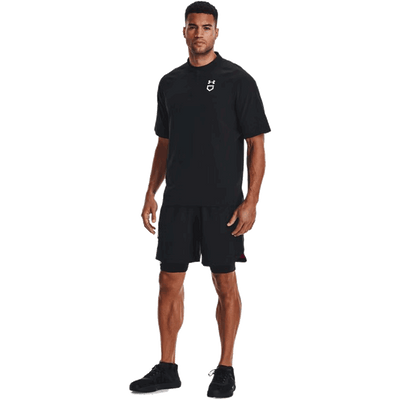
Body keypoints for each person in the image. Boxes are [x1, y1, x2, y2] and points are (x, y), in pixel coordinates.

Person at [128, 1, 272, 398]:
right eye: (192, 26)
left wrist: (251, 200)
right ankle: (167, 367)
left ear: (216, 32)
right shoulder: (170, 83)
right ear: (184, 30)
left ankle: (225, 368)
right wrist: (151, 192)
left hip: (223, 203)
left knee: (224, 281)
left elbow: (256, 145)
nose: (199, 33)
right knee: (168, 281)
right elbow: (164, 143)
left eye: (206, 27)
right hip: (178, 201)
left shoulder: (238, 80)